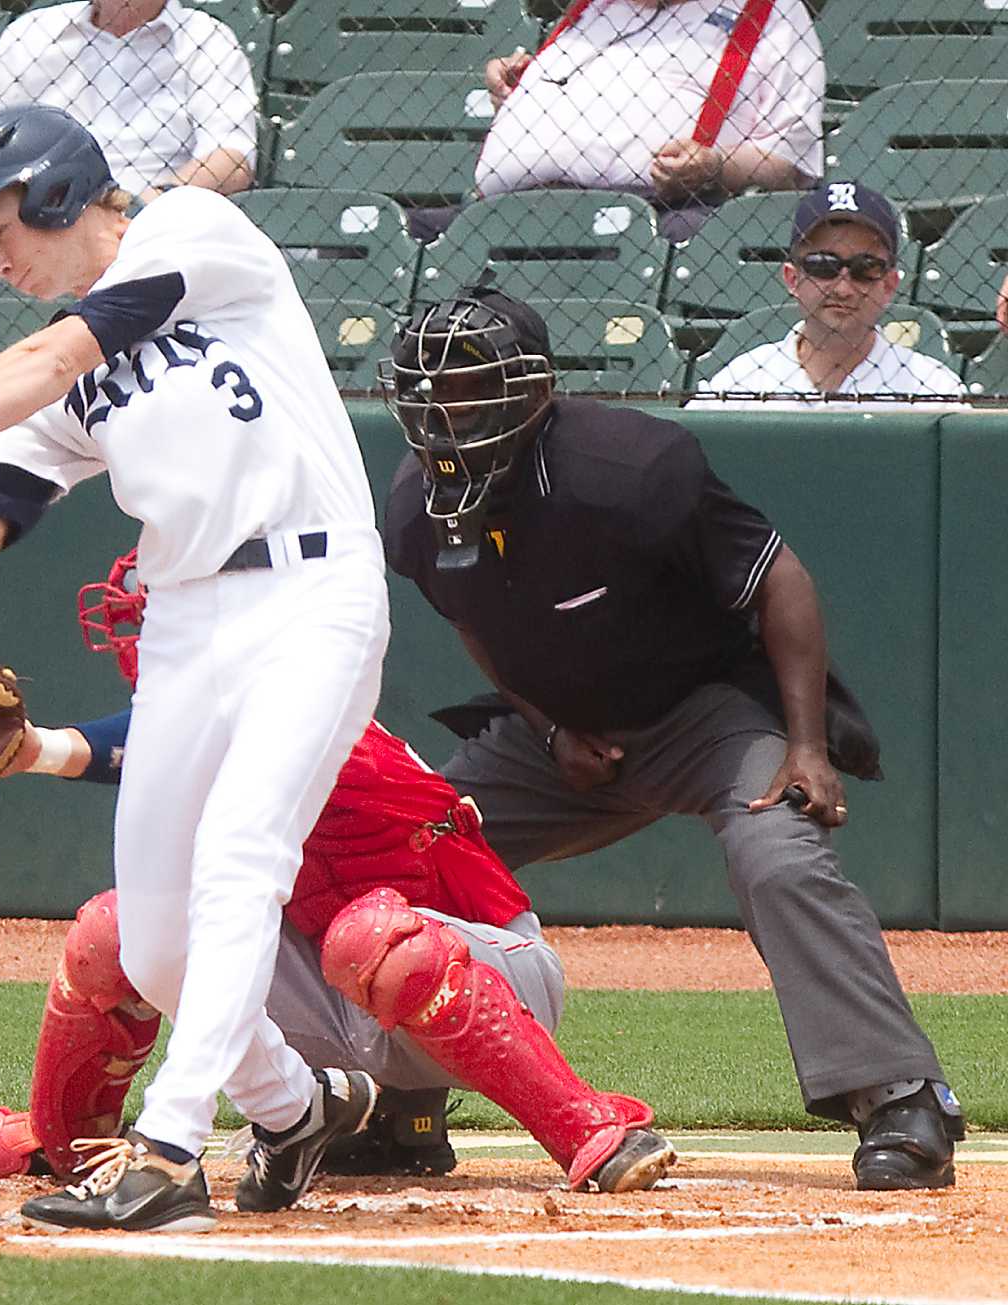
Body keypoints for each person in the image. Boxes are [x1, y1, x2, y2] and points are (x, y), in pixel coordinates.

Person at [0, 104, 390, 1233]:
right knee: (154, 943)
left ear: (57, 194)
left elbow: (56, 351)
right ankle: (295, 1109)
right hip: (189, 621)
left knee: (240, 858)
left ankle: (169, 1153)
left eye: (0, 230)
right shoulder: (63, 384)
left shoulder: (191, 232)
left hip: (312, 592)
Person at [379, 284, 966, 1193]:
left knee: (779, 857)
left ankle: (902, 1095)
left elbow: (782, 581)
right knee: (402, 853)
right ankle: (400, 1101)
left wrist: (806, 743)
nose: (446, 413)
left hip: (707, 714)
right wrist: (547, 727)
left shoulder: (631, 468)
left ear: (533, 392)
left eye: (470, 388)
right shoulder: (416, 506)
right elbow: (475, 625)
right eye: (429, 393)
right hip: (567, 740)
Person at [0, 549, 677, 1200]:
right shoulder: (197, 751)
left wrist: (44, 748)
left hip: (494, 972)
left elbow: (181, 736)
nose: (148, 629)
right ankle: (66, 1142)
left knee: (368, 934)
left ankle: (590, 1126)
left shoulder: (316, 708)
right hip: (334, 988)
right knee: (122, 930)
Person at [446, 0, 823, 243]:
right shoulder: (594, 7)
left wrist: (715, 166)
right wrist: (524, 88)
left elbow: (793, 163)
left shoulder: (771, 13)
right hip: (501, 216)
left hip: (650, 223)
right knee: (404, 233)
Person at [0, 1, 257, 225]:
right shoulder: (33, 34)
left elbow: (232, 157)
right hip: (30, 231)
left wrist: (144, 208)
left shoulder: (206, 38)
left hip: (150, 228)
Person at [693, 183, 965, 410]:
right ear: (792, 278)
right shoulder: (741, 383)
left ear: (889, 284)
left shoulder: (932, 390)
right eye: (823, 265)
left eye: (865, 268)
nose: (842, 289)